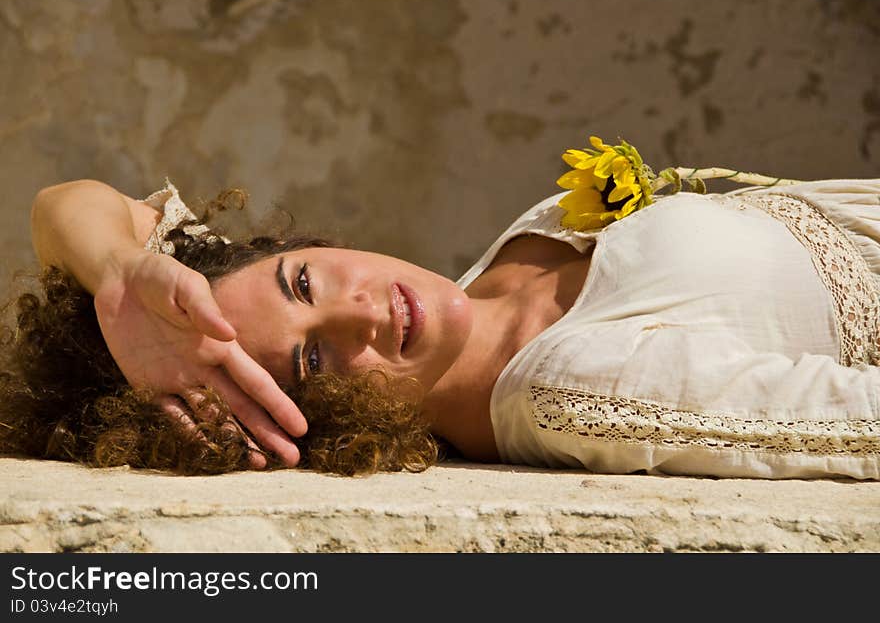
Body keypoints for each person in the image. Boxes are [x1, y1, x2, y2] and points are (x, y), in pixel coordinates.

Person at [2, 148, 879, 479]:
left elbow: (68, 203)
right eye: (313, 364)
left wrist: (120, 277)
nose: (356, 316)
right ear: (317, 430)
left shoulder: (485, 289)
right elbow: (855, 427)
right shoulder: (568, 387)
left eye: (303, 284)